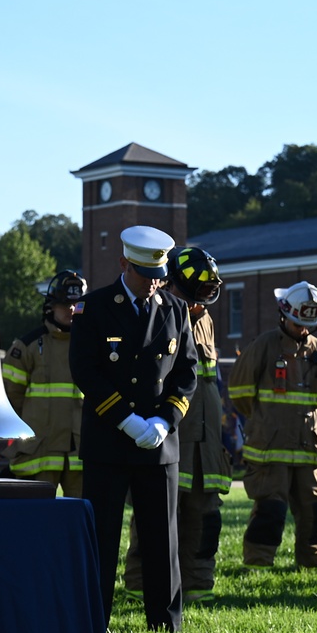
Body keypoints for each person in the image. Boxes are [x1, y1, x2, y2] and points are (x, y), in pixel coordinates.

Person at [68, 225, 197, 633]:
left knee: (163, 539)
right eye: (145, 274)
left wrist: (165, 420)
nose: (154, 283)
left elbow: (187, 372)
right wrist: (125, 419)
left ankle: (166, 624)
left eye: (159, 275)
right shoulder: (94, 308)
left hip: (158, 445)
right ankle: (94, 622)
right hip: (109, 439)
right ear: (124, 263)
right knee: (102, 539)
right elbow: (85, 370)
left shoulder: (176, 311)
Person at [124, 247, 233, 604]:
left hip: (205, 442)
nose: (203, 301)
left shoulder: (204, 320)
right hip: (171, 435)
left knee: (205, 516)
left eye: (207, 293)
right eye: (198, 293)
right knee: (155, 515)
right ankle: (142, 585)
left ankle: (199, 584)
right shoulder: (160, 314)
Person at [227, 281, 317, 576]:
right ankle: (258, 565)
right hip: (269, 450)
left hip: (309, 450)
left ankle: (315, 565)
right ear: (284, 315)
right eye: (299, 323)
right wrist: (267, 422)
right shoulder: (263, 346)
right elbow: (240, 393)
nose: (304, 330)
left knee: (316, 511)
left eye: (308, 325)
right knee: (270, 511)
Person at [1, 270, 87, 495]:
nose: (71, 309)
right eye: (64, 304)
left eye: (76, 304)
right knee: (35, 518)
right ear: (51, 305)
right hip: (38, 450)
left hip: (80, 451)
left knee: (81, 516)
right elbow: (11, 398)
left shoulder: (93, 346)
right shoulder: (27, 346)